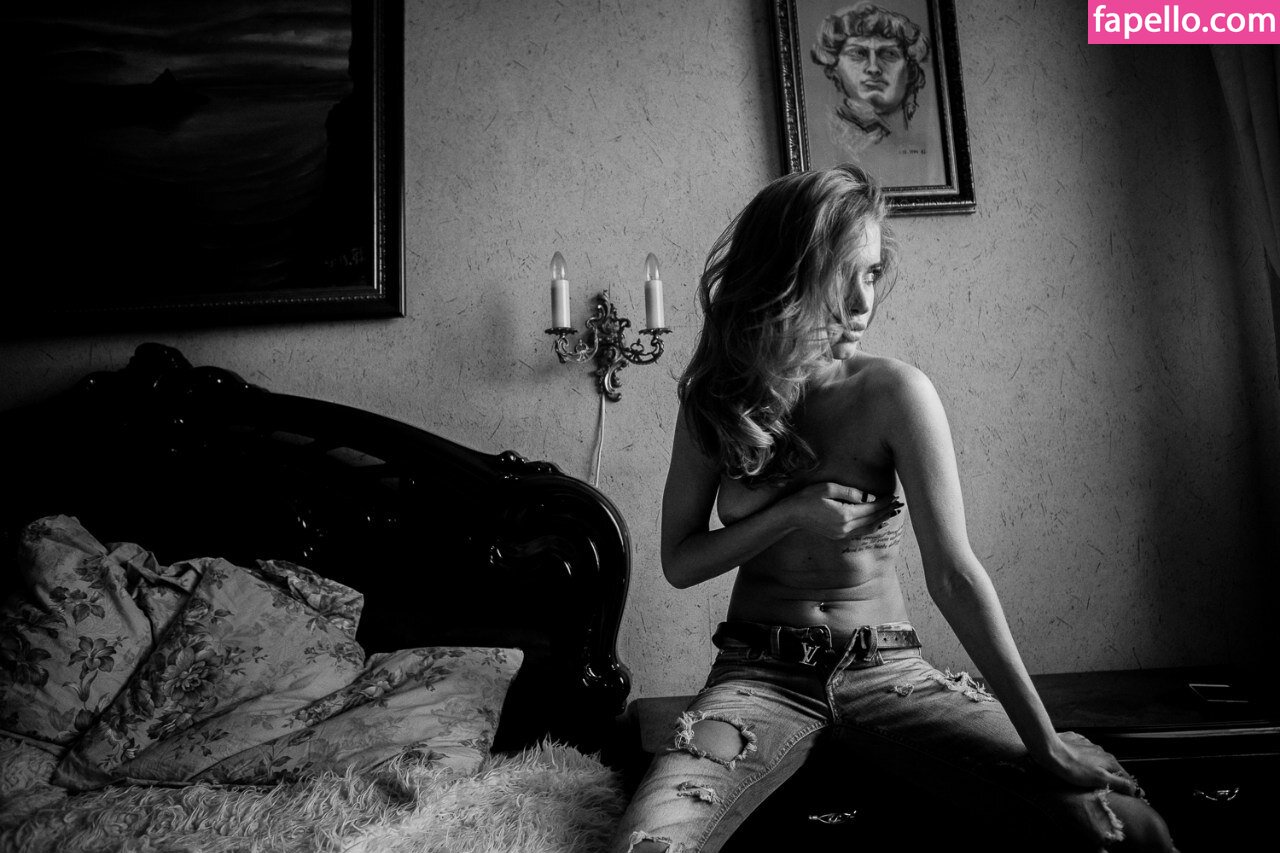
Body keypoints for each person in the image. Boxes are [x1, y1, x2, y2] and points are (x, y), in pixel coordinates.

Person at [611, 165, 1176, 853]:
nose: (862, 301)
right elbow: (679, 561)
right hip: (756, 676)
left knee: (1121, 825)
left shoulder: (896, 394)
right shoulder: (716, 402)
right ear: (785, 273)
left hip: (888, 673)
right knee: (648, 844)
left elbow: (954, 576)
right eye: (841, 273)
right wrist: (792, 513)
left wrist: (1044, 739)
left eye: (873, 272)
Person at [810, 3, 931, 148]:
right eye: (858, 53)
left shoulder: (926, 134)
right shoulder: (823, 138)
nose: (873, 68)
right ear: (835, 68)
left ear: (910, 70)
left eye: (889, 54)